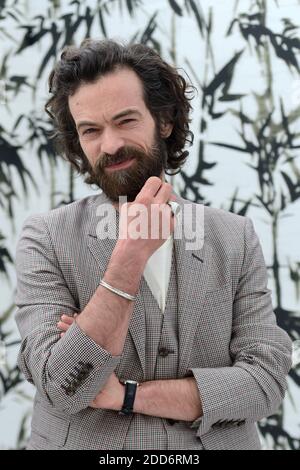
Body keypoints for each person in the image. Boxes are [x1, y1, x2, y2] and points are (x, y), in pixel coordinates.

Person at [15, 39, 292, 450]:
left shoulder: (235, 237)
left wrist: (125, 395)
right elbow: (62, 386)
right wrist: (129, 257)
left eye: (125, 120)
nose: (109, 145)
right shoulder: (45, 238)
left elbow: (265, 383)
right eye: (91, 130)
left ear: (163, 120)